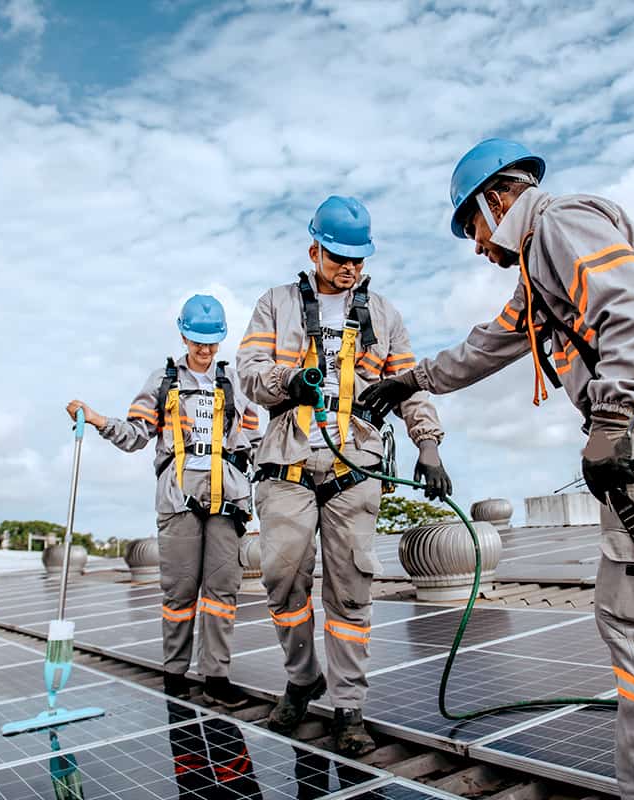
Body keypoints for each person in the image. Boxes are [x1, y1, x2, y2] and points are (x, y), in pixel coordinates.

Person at [359, 139, 634, 800]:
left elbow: (629, 307)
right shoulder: (541, 267)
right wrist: (412, 380)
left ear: (498, 198)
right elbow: (487, 345)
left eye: (472, 227)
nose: (476, 247)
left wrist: (611, 420)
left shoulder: (558, 224)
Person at [236, 195, 451, 757]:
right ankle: (303, 678)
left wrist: (428, 444)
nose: (349, 268)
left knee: (352, 589)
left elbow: (409, 383)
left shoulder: (383, 314)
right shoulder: (275, 304)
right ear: (314, 251)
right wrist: (290, 382)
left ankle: (349, 705)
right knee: (283, 578)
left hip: (355, 467)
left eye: (357, 258)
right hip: (285, 464)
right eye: (337, 257)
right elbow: (249, 373)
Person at [67, 294, 262, 709]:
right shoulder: (163, 380)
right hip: (178, 496)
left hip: (227, 495)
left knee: (222, 591)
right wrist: (99, 419)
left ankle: (217, 677)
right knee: (180, 591)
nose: (205, 350)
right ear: (182, 335)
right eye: (197, 342)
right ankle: (175, 673)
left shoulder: (236, 384)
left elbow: (255, 443)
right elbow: (137, 434)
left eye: (211, 343)